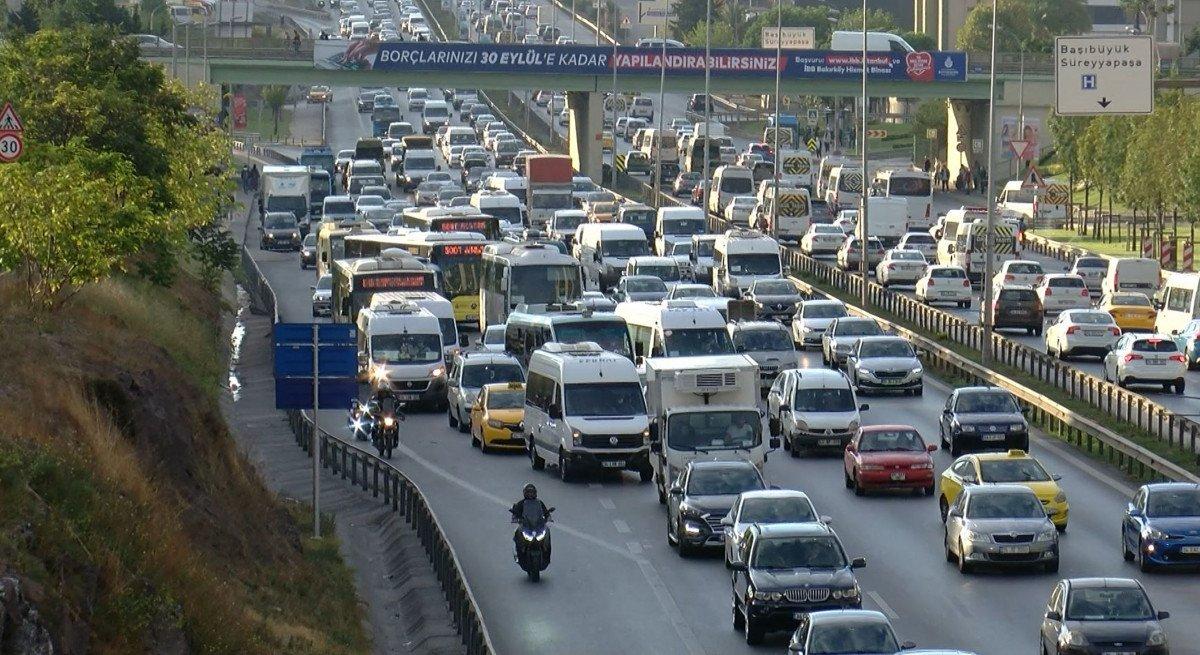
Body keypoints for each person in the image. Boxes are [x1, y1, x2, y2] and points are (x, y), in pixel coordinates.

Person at [510, 483, 551, 555]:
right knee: (517, 531)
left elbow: (545, 511)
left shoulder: (539, 502)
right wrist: (516, 517)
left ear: (535, 493)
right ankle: (518, 550)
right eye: (528, 492)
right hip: (525, 525)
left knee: (547, 531)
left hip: (537, 524)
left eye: (532, 492)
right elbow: (515, 512)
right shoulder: (521, 503)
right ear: (525, 493)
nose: (530, 494)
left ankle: (546, 550)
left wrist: (548, 517)